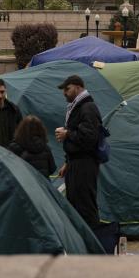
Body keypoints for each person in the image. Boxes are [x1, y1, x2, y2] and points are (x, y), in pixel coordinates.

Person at [55, 75, 103, 228]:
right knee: (75, 203)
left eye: (67, 89)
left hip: (85, 164)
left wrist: (67, 133)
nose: (64, 93)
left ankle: (93, 243)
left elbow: (89, 137)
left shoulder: (87, 107)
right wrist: (68, 162)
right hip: (76, 163)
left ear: (78, 87)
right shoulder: (78, 107)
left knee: (85, 205)